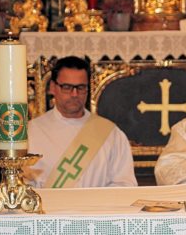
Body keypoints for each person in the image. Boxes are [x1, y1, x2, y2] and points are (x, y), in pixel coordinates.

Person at [25, 56, 137, 188]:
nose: (74, 94)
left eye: (81, 87)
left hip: (97, 208)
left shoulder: (111, 134)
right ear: (53, 87)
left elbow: (125, 184)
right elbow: (23, 185)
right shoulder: (32, 132)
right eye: (66, 87)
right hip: (47, 208)